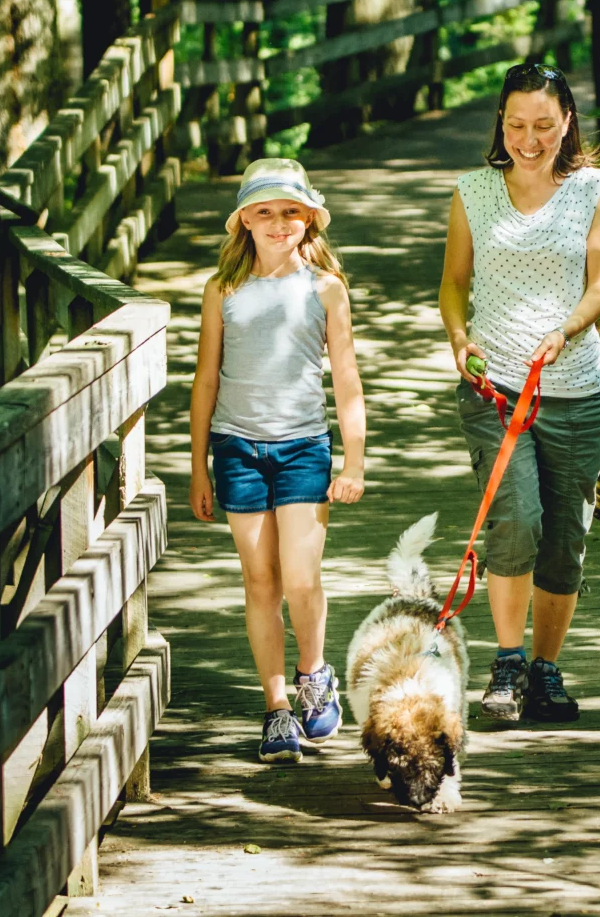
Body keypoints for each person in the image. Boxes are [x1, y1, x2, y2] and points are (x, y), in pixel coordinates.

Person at [439, 62, 600, 722]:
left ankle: (545, 669)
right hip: (496, 391)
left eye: (543, 124)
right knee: (515, 516)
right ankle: (507, 663)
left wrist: (565, 329)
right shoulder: (472, 191)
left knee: (563, 535)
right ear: (500, 123)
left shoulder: (593, 190)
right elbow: (453, 283)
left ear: (566, 121)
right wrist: (460, 340)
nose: (528, 137)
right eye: (515, 124)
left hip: (572, 388)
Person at [190, 158, 366, 762]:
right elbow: (205, 380)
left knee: (300, 577)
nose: (278, 221)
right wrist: (197, 466)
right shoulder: (223, 290)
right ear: (243, 219)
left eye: (291, 210)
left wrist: (354, 462)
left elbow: (346, 379)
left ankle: (314, 674)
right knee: (260, 581)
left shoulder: (325, 289)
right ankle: (276, 709)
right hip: (237, 448)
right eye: (264, 210)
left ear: (310, 219)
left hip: (302, 449)